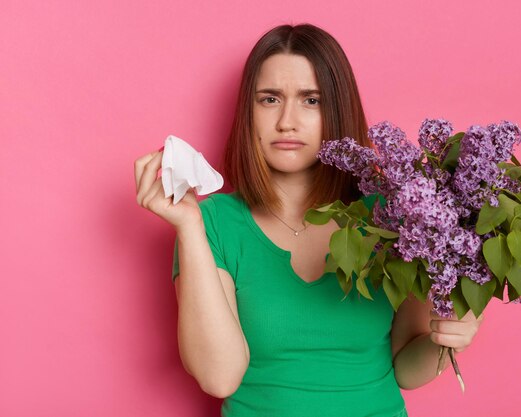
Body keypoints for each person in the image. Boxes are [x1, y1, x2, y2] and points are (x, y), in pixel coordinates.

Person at [134, 23, 483, 417]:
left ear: (338, 109)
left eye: (311, 100)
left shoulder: (392, 216)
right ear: (248, 111)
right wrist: (188, 226)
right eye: (269, 99)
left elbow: (405, 367)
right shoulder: (211, 222)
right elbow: (219, 377)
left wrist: (449, 338)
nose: (287, 121)